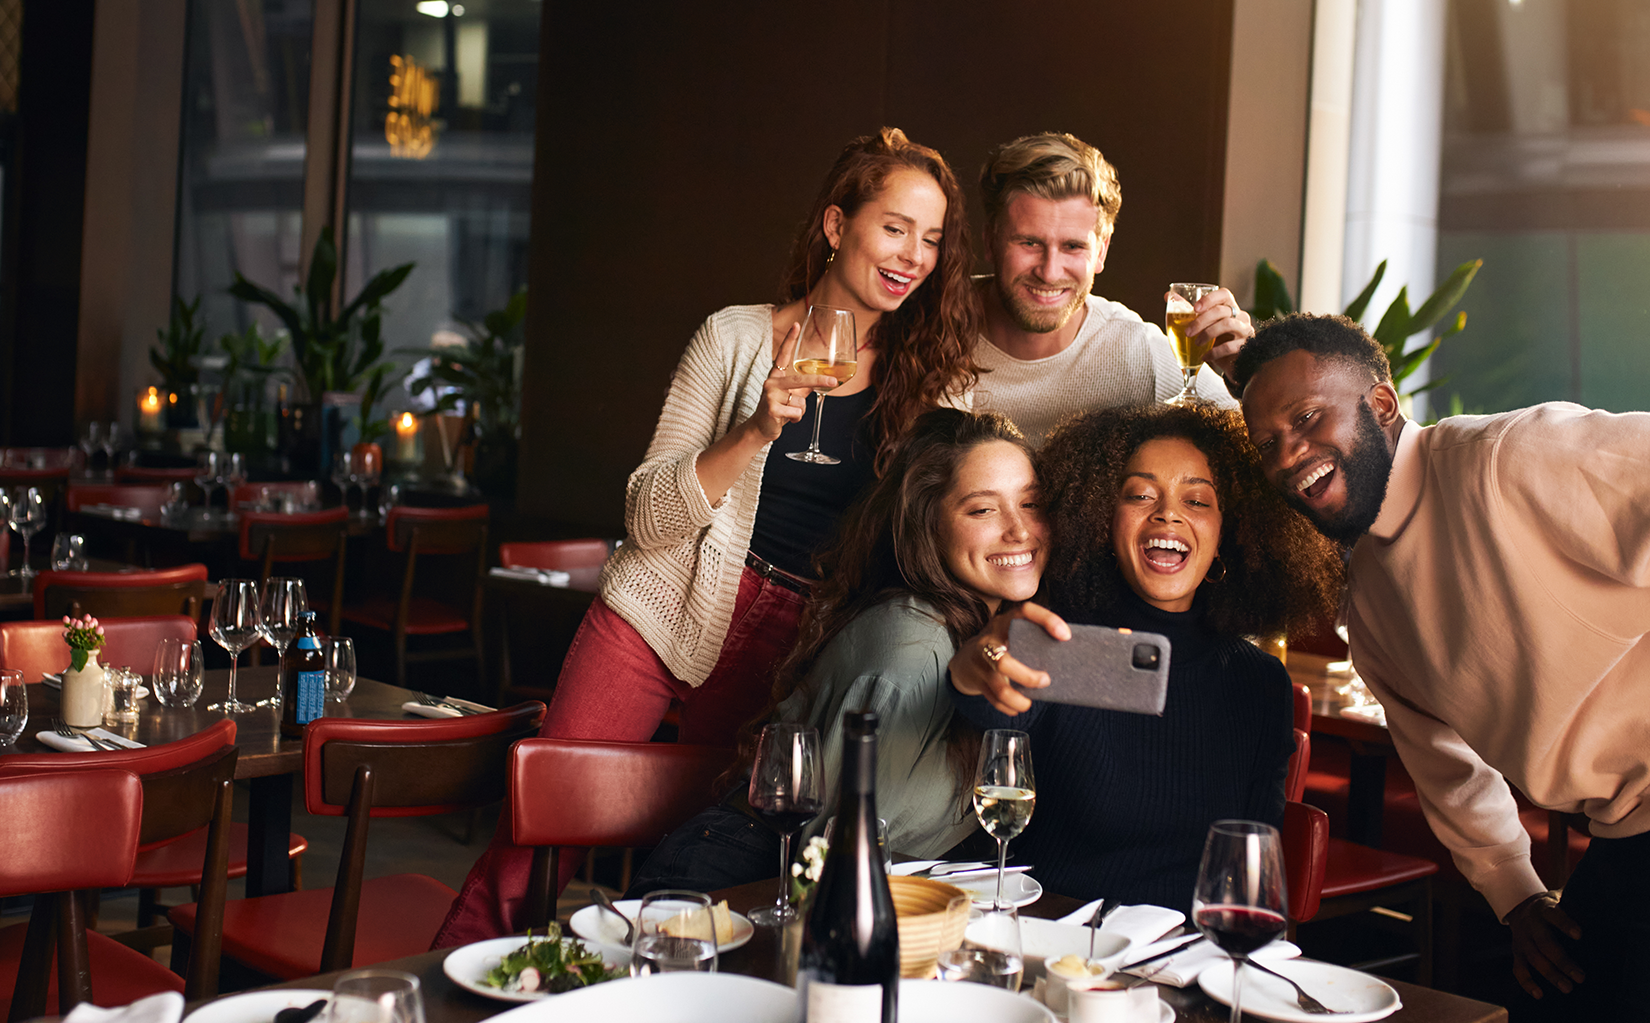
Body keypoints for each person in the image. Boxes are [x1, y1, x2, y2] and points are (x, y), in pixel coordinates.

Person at [433, 127, 983, 944]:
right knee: (536, 832)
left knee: (694, 865)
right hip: (661, 607)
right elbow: (647, 517)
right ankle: (452, 1001)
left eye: (932, 238)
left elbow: (936, 537)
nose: (913, 254)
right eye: (895, 227)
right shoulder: (733, 337)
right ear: (838, 227)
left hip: (786, 648)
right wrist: (755, 429)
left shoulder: (936, 379)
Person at [1234, 313, 1650, 1023]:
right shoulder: (1372, 609)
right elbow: (1445, 771)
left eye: (1308, 418)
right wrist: (1516, 893)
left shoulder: (1511, 457)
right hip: (1625, 834)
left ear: (1383, 404)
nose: (1289, 453)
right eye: (1268, 442)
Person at [629, 409, 1050, 897]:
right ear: (927, 523)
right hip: (735, 885)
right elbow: (837, 858)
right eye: (982, 509)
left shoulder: (983, 633)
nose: (1019, 530)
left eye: (1032, 503)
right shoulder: (914, 647)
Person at [946, 402, 1342, 910]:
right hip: (1056, 941)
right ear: (1103, 521)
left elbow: (1251, 872)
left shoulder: (1260, 683)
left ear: (1228, 533)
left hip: (1189, 960)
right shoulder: (1059, 639)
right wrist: (976, 663)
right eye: (1140, 495)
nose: (1168, 513)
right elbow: (985, 701)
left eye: (1197, 501)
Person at [969, 132, 1253, 444]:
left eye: (1073, 246)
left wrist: (1246, 377)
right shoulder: (932, 322)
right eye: (1029, 242)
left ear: (1101, 252)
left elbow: (1252, 446)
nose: (1049, 272)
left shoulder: (1135, 350)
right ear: (989, 242)